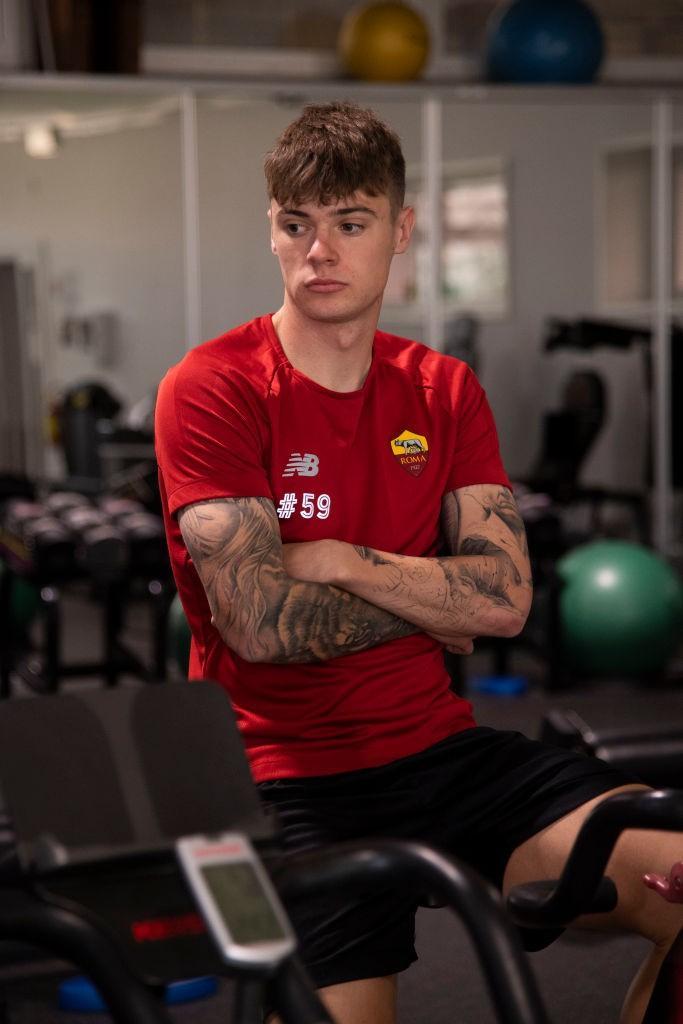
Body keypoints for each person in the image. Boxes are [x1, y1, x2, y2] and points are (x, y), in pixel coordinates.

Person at [155, 102, 682, 1024]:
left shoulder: (441, 389)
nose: (320, 251)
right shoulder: (214, 386)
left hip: (441, 751)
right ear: (272, 232)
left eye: (350, 223)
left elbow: (509, 602)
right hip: (284, 778)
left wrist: (345, 561)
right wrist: (441, 597)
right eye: (297, 225)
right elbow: (261, 625)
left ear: (400, 232)